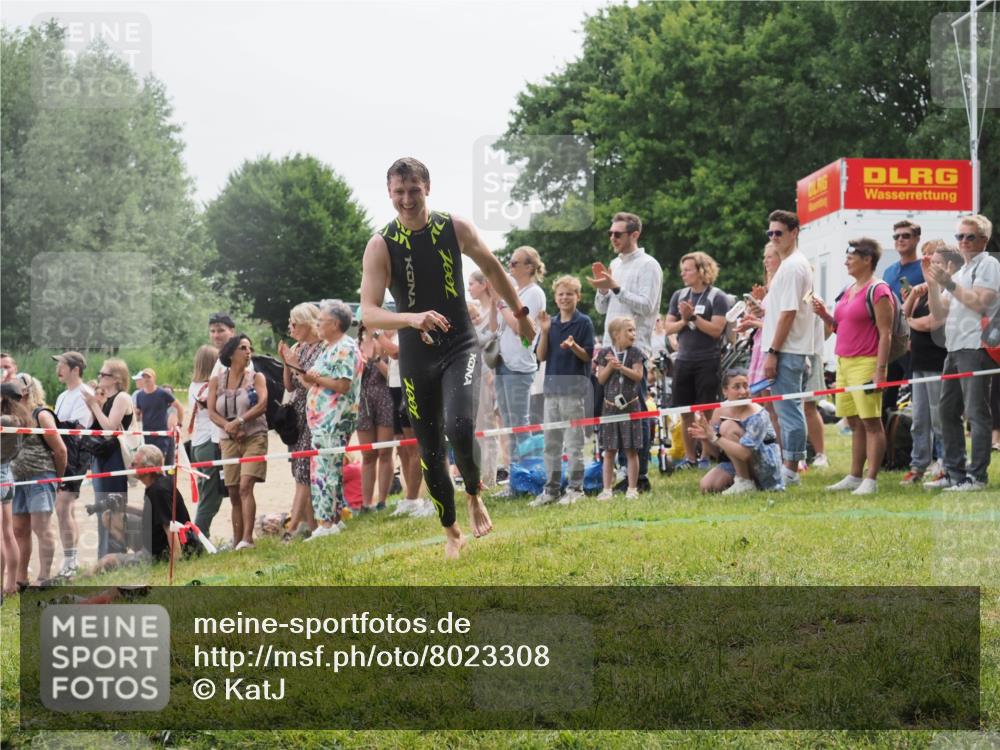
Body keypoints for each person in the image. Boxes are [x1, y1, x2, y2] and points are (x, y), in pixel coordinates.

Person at [359, 157, 535, 559]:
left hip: (459, 345)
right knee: (430, 449)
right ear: (389, 193)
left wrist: (521, 316)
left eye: (414, 191)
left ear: (428, 188)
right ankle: (451, 530)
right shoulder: (380, 244)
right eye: (399, 192)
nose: (406, 200)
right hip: (416, 354)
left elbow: (491, 267)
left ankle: (474, 493)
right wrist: (410, 317)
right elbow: (367, 311)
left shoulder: (453, 228)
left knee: (459, 426)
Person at [923, 214, 1000, 491]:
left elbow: (981, 303)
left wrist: (948, 283)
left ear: (984, 240)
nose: (964, 242)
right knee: (947, 411)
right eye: (960, 237)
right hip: (954, 348)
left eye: (971, 237)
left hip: (976, 346)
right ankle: (955, 472)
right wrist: (933, 283)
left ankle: (977, 476)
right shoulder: (959, 273)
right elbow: (938, 314)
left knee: (976, 412)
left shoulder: (988, 264)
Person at [812, 238, 894, 495]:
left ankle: (871, 479)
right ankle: (854, 475)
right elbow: (840, 327)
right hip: (843, 362)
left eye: (851, 256)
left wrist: (879, 370)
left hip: (866, 362)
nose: (846, 260)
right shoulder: (849, 290)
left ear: (867, 259)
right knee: (854, 422)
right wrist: (825, 314)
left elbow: (886, 333)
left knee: (871, 422)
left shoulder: (878, 290)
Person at [589, 212, 663, 490]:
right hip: (610, 349)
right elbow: (601, 308)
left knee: (635, 409)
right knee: (612, 409)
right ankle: (622, 472)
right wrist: (604, 290)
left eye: (617, 234)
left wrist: (616, 287)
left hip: (635, 348)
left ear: (634, 235)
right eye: (610, 233)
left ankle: (639, 475)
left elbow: (647, 305)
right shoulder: (614, 264)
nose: (612, 238)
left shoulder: (649, 265)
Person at [761, 210, 815, 487]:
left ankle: (791, 469)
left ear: (794, 232)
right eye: (770, 233)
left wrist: (773, 351)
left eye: (778, 233)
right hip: (786, 348)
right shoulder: (789, 265)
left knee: (789, 410)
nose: (774, 238)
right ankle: (789, 464)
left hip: (788, 350)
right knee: (785, 409)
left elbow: (789, 313)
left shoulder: (793, 266)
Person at [531, 275, 595, 507]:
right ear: (555, 298)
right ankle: (551, 490)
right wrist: (545, 331)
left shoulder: (584, 323)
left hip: (573, 393)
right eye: (561, 294)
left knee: (574, 444)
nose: (565, 298)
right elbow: (540, 356)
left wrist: (573, 346)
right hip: (551, 392)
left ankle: (575, 489)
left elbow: (588, 356)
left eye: (569, 294)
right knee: (551, 444)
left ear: (577, 296)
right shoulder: (551, 323)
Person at [663, 251, 731, 469]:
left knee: (707, 410)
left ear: (702, 271)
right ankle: (690, 458)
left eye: (688, 270)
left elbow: (716, 330)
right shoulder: (679, 295)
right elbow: (668, 327)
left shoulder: (718, 297)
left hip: (708, 359)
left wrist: (694, 318)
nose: (683, 274)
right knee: (685, 412)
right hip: (683, 360)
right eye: (682, 270)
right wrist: (684, 320)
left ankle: (707, 456)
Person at [301, 299, 362, 539]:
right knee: (327, 469)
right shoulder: (328, 347)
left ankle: (325, 524)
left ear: (335, 324)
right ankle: (334, 520)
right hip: (322, 421)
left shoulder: (345, 347)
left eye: (320, 320)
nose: (316, 325)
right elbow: (312, 379)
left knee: (325, 471)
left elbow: (342, 385)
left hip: (334, 419)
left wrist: (316, 379)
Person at [91, 444, 200, 572]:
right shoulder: (156, 484)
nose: (130, 466)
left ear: (148, 469)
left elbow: (171, 528)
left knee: (106, 561)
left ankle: (81, 582)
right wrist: (123, 507)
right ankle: (135, 556)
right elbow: (154, 514)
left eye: (134, 464)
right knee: (110, 516)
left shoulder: (158, 491)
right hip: (155, 539)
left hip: (163, 552)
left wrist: (176, 565)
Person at [207, 334, 268, 549]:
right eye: (243, 347)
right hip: (228, 439)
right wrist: (229, 427)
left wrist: (240, 421)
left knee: (245, 486)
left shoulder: (256, 377)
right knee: (233, 491)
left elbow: (262, 404)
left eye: (249, 347)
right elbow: (211, 411)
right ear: (231, 353)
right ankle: (236, 539)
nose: (248, 351)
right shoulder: (216, 381)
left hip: (254, 436)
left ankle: (247, 539)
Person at [899, 240, 951, 485]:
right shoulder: (923, 290)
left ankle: (943, 463)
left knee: (939, 418)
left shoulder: (946, 290)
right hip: (918, 363)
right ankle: (918, 465)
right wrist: (913, 296)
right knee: (919, 418)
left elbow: (932, 323)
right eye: (925, 258)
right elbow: (904, 315)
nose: (928, 262)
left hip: (938, 361)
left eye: (934, 259)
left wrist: (910, 322)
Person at [492, 246, 546, 472]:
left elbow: (520, 328)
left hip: (519, 366)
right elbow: (496, 327)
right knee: (508, 423)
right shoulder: (514, 292)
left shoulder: (534, 293)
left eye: (514, 263)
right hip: (503, 362)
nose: (510, 266)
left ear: (529, 267)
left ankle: (529, 472)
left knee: (519, 423)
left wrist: (502, 304)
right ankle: (516, 474)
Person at [688, 369, 784, 494]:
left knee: (727, 427)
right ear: (725, 391)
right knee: (707, 486)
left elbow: (745, 453)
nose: (743, 392)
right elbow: (716, 453)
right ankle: (743, 480)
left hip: (764, 465)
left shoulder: (758, 414)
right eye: (736, 387)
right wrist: (706, 438)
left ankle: (745, 482)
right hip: (734, 462)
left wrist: (715, 437)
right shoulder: (719, 411)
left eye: (745, 386)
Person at [9, 375, 66, 585]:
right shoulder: (10, 414)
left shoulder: (41, 414)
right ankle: (21, 578)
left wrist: (58, 479)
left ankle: (44, 577)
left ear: (27, 390)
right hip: (17, 479)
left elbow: (61, 450)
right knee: (19, 530)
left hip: (41, 476)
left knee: (42, 528)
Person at [278, 303, 323, 536]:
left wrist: (295, 364)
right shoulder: (298, 347)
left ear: (308, 323)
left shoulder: (324, 347)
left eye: (294, 323)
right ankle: (312, 526)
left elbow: (313, 383)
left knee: (305, 469)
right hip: (296, 414)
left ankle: (292, 528)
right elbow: (289, 385)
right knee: (298, 469)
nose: (291, 327)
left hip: (315, 411)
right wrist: (287, 362)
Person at [379, 328, 433, 519]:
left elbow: (394, 352)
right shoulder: (393, 333)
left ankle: (424, 498)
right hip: (395, 388)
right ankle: (412, 497)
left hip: (411, 386)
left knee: (420, 448)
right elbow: (377, 355)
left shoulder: (409, 328)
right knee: (409, 450)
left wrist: (377, 332)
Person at [82, 358, 134, 558]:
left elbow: (110, 428)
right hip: (101, 456)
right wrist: (95, 405)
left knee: (113, 505)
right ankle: (104, 553)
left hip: (114, 457)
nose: (99, 377)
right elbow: (93, 427)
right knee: (101, 505)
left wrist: (95, 405)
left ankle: (116, 552)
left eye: (103, 374)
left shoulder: (122, 398)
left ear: (116, 378)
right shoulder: (107, 399)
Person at [51, 351, 94, 579]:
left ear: (75, 369)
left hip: (76, 452)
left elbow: (76, 428)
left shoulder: (84, 393)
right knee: (65, 509)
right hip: (63, 452)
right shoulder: (61, 396)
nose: (58, 369)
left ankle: (70, 561)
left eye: (62, 365)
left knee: (63, 506)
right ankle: (71, 559)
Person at [595, 317, 646, 500]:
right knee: (609, 451)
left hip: (630, 409)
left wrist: (622, 368)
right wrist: (610, 366)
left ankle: (632, 489)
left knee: (631, 450)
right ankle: (607, 489)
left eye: (634, 330)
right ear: (616, 335)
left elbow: (638, 376)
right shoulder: (604, 353)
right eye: (629, 330)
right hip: (610, 409)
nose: (634, 334)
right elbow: (601, 379)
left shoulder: (636, 353)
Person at [881, 220, 924, 417]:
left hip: (915, 341)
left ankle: (915, 444)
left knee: (919, 397)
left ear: (916, 239)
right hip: (891, 342)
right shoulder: (889, 271)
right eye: (896, 236)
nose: (900, 239)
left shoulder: (924, 268)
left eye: (906, 235)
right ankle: (889, 446)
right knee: (885, 398)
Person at [467, 270, 503, 488]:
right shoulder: (476, 312)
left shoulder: (493, 310)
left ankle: (491, 476)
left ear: (484, 285)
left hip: (489, 371)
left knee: (490, 425)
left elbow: (491, 338)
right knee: (480, 425)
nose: (469, 287)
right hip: (475, 372)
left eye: (472, 283)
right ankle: (483, 474)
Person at [356, 325, 395, 512]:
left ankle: (382, 501)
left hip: (385, 400)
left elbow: (391, 375)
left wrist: (376, 359)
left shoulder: (386, 343)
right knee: (368, 455)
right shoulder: (355, 345)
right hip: (362, 403)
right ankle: (366, 503)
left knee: (385, 452)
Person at [187, 345, 222, 537]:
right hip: (209, 442)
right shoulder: (209, 388)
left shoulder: (194, 385)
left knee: (205, 495)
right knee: (210, 498)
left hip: (197, 444)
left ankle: (200, 536)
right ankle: (197, 538)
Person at [1, 381, 25, 595]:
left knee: (3, 536)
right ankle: (9, 585)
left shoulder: (5, 420)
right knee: (7, 534)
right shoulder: (18, 419)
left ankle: (3, 587)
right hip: (7, 473)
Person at [133, 368, 184, 465]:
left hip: (162, 433)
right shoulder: (140, 395)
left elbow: (179, 407)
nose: (146, 379)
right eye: (144, 377)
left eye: (149, 377)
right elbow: (138, 413)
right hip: (147, 433)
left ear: (154, 378)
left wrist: (179, 424)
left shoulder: (162, 393)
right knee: (150, 462)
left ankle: (163, 478)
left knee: (160, 460)